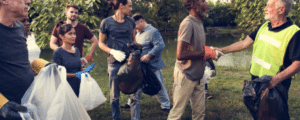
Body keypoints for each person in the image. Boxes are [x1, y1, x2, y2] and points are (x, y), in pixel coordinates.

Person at [215, 0, 300, 118]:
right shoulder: (264, 26)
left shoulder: (293, 32)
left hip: (276, 84)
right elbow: (244, 43)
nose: (265, 8)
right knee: (258, 114)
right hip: (257, 80)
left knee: (275, 116)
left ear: (281, 10)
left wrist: (276, 79)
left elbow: (297, 64)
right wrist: (222, 50)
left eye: (269, 6)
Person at [167, 0, 218, 119]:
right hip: (186, 75)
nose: (207, 4)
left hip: (199, 75)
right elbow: (180, 54)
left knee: (199, 113)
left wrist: (210, 50)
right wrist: (205, 53)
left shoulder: (199, 22)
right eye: (203, 1)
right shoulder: (188, 23)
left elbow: (195, 48)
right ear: (194, 5)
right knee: (177, 113)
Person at [119, 13, 171, 112]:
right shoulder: (138, 33)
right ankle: (131, 103)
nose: (135, 28)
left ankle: (166, 106)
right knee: (135, 84)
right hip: (139, 66)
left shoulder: (153, 31)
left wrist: (149, 55)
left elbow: (160, 45)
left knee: (158, 84)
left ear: (141, 21)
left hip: (152, 66)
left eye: (135, 26)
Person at [98, 0, 140, 119]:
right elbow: (100, 43)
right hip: (114, 63)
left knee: (134, 94)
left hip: (130, 62)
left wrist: (137, 53)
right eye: (129, 6)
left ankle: (135, 118)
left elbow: (133, 41)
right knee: (114, 96)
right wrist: (112, 51)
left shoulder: (131, 21)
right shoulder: (106, 22)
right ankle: (116, 118)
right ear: (121, 5)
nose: (131, 9)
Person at [0, 0, 33, 119]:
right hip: (7, 111)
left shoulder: (19, 27)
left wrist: (42, 66)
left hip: (26, 103)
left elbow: (20, 61)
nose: (28, 1)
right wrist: (1, 103)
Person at [52, 21, 94, 97]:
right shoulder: (58, 53)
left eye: (74, 33)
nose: (73, 36)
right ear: (61, 36)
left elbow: (78, 67)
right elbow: (58, 74)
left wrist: (84, 70)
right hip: (66, 88)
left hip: (78, 85)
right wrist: (75, 75)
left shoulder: (76, 50)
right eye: (70, 34)